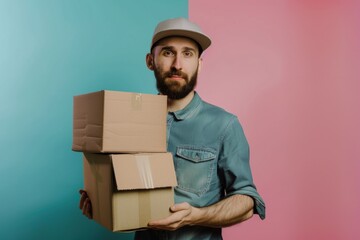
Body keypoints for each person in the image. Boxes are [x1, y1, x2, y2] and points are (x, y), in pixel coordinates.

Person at [80, 17, 265, 240]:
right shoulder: (127, 122)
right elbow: (120, 186)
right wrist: (100, 202)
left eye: (188, 54)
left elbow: (246, 201)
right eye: (168, 52)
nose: (177, 64)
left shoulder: (224, 125)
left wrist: (195, 216)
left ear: (199, 63)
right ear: (150, 61)